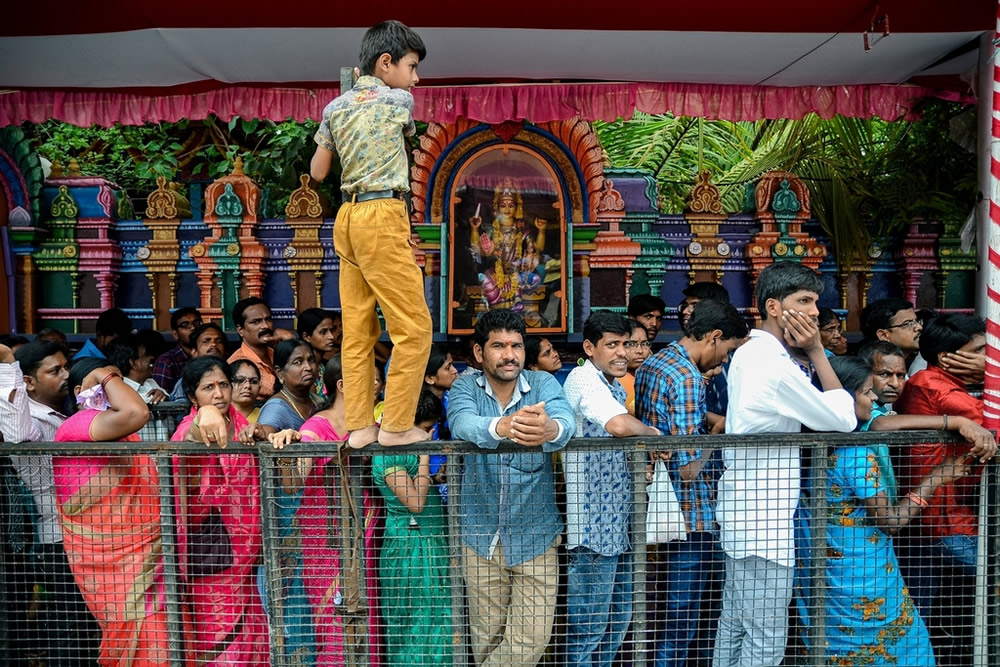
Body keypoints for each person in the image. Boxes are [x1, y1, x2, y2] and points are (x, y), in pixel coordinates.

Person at [795, 355, 984, 667]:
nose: (874, 398)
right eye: (867, 392)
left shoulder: (810, 445)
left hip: (823, 574)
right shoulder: (856, 455)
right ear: (843, 400)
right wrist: (937, 477)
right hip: (865, 576)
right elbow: (891, 521)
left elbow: (881, 422)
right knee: (905, 650)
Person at [713, 262, 857, 667]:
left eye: (815, 302)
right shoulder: (773, 365)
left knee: (737, 626)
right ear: (773, 307)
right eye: (805, 301)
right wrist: (816, 351)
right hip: (763, 528)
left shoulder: (753, 354)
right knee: (766, 640)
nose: (814, 312)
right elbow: (844, 421)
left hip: (747, 518)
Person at [310, 20, 432, 448]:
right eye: (412, 66)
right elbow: (404, 137)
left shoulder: (334, 108)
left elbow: (319, 171)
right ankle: (397, 424)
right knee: (414, 329)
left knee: (358, 329)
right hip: (382, 213)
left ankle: (360, 426)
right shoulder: (399, 99)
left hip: (348, 215)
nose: (415, 79)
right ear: (386, 63)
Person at [447, 308, 575, 666]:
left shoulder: (544, 384)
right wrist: (504, 428)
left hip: (536, 535)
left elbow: (565, 420)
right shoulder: (464, 387)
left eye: (516, 346)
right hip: (480, 535)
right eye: (499, 345)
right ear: (478, 353)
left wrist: (551, 431)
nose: (509, 354)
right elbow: (462, 422)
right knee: (487, 638)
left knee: (531, 639)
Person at [635, 299, 747, 667]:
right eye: (728, 350)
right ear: (714, 337)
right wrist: (719, 440)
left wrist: (709, 421)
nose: (724, 360)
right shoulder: (686, 378)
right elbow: (687, 468)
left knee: (665, 603)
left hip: (656, 503)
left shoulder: (656, 359)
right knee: (682, 612)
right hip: (687, 511)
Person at [269, 355, 387, 665]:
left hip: (366, 532)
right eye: (370, 379)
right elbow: (295, 483)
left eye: (378, 379)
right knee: (333, 617)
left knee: (365, 614)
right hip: (326, 538)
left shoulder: (374, 426)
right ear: (343, 385)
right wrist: (288, 451)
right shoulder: (316, 426)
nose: (377, 385)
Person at [893, 314, 995, 665]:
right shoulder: (934, 385)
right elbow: (994, 425)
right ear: (949, 358)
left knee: (921, 614)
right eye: (981, 351)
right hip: (945, 524)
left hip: (936, 521)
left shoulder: (937, 380)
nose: (989, 357)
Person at [561, 311, 660, 666]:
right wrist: (653, 436)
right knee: (588, 628)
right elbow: (618, 425)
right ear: (590, 347)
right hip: (591, 528)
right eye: (613, 344)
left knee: (616, 623)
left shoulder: (613, 383)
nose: (623, 352)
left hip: (618, 522)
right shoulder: (582, 380)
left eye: (629, 344)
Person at [52, 358, 157, 665]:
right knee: (140, 638)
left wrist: (107, 378)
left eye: (119, 383)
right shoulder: (77, 426)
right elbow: (137, 411)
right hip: (111, 562)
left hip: (148, 555)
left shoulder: (124, 434)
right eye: (108, 384)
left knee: (162, 637)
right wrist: (101, 373)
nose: (115, 389)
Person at [0, 341, 100, 665]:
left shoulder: (64, 413)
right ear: (29, 382)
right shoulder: (29, 420)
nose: (65, 375)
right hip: (57, 539)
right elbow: (15, 431)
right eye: (54, 370)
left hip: (82, 534)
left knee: (85, 626)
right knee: (69, 628)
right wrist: (8, 364)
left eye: (65, 367)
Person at [171, 356, 269, 665]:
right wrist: (204, 416)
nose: (219, 394)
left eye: (224, 385)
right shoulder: (189, 428)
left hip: (247, 559)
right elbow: (189, 441)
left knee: (253, 639)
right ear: (191, 397)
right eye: (208, 388)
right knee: (218, 641)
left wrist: (259, 436)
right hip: (212, 556)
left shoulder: (242, 426)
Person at [372, 389, 453, 665]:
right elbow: (415, 503)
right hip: (411, 549)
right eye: (427, 429)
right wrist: (424, 456)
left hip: (430, 543)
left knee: (438, 623)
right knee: (414, 627)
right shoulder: (389, 455)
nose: (430, 435)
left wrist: (433, 474)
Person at [468, 180, 550, 314]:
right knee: (485, 282)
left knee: (534, 279)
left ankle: (517, 304)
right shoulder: (493, 230)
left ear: (517, 208)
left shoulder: (522, 230)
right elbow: (478, 250)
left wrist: (541, 231)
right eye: (503, 205)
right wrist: (474, 230)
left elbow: (537, 249)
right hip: (496, 273)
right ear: (497, 208)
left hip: (516, 272)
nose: (507, 209)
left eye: (511, 205)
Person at [257, 338, 322, 436]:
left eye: (311, 360)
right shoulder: (276, 407)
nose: (308, 367)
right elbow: (263, 438)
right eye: (298, 362)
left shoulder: (318, 401)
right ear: (280, 373)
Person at [228, 297, 278, 399]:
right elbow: (284, 388)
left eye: (268, 319)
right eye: (256, 322)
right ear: (240, 330)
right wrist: (290, 342)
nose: (265, 326)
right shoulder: (238, 363)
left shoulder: (275, 353)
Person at [168, 322, 229, 401]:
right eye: (206, 341)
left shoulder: (233, 375)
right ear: (194, 352)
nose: (213, 344)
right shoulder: (186, 382)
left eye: (219, 341)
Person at [860, 298, 922, 369]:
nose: (919, 327)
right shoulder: (869, 373)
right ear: (883, 335)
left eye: (917, 321)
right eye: (907, 324)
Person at [152, 307, 202, 390]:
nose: (193, 328)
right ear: (175, 334)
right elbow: (162, 398)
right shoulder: (166, 362)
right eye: (185, 325)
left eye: (197, 323)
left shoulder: (210, 353)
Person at [858, 340, 908, 410]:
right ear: (863, 373)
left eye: (900, 376)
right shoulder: (860, 411)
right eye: (884, 374)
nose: (895, 384)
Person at [620, 320, 652, 415]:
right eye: (632, 344)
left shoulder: (646, 378)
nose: (640, 351)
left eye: (645, 344)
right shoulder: (618, 380)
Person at [230, 358, 263, 423]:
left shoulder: (266, 416)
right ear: (228, 384)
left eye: (254, 382)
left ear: (260, 386)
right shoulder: (218, 416)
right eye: (240, 380)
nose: (247, 386)